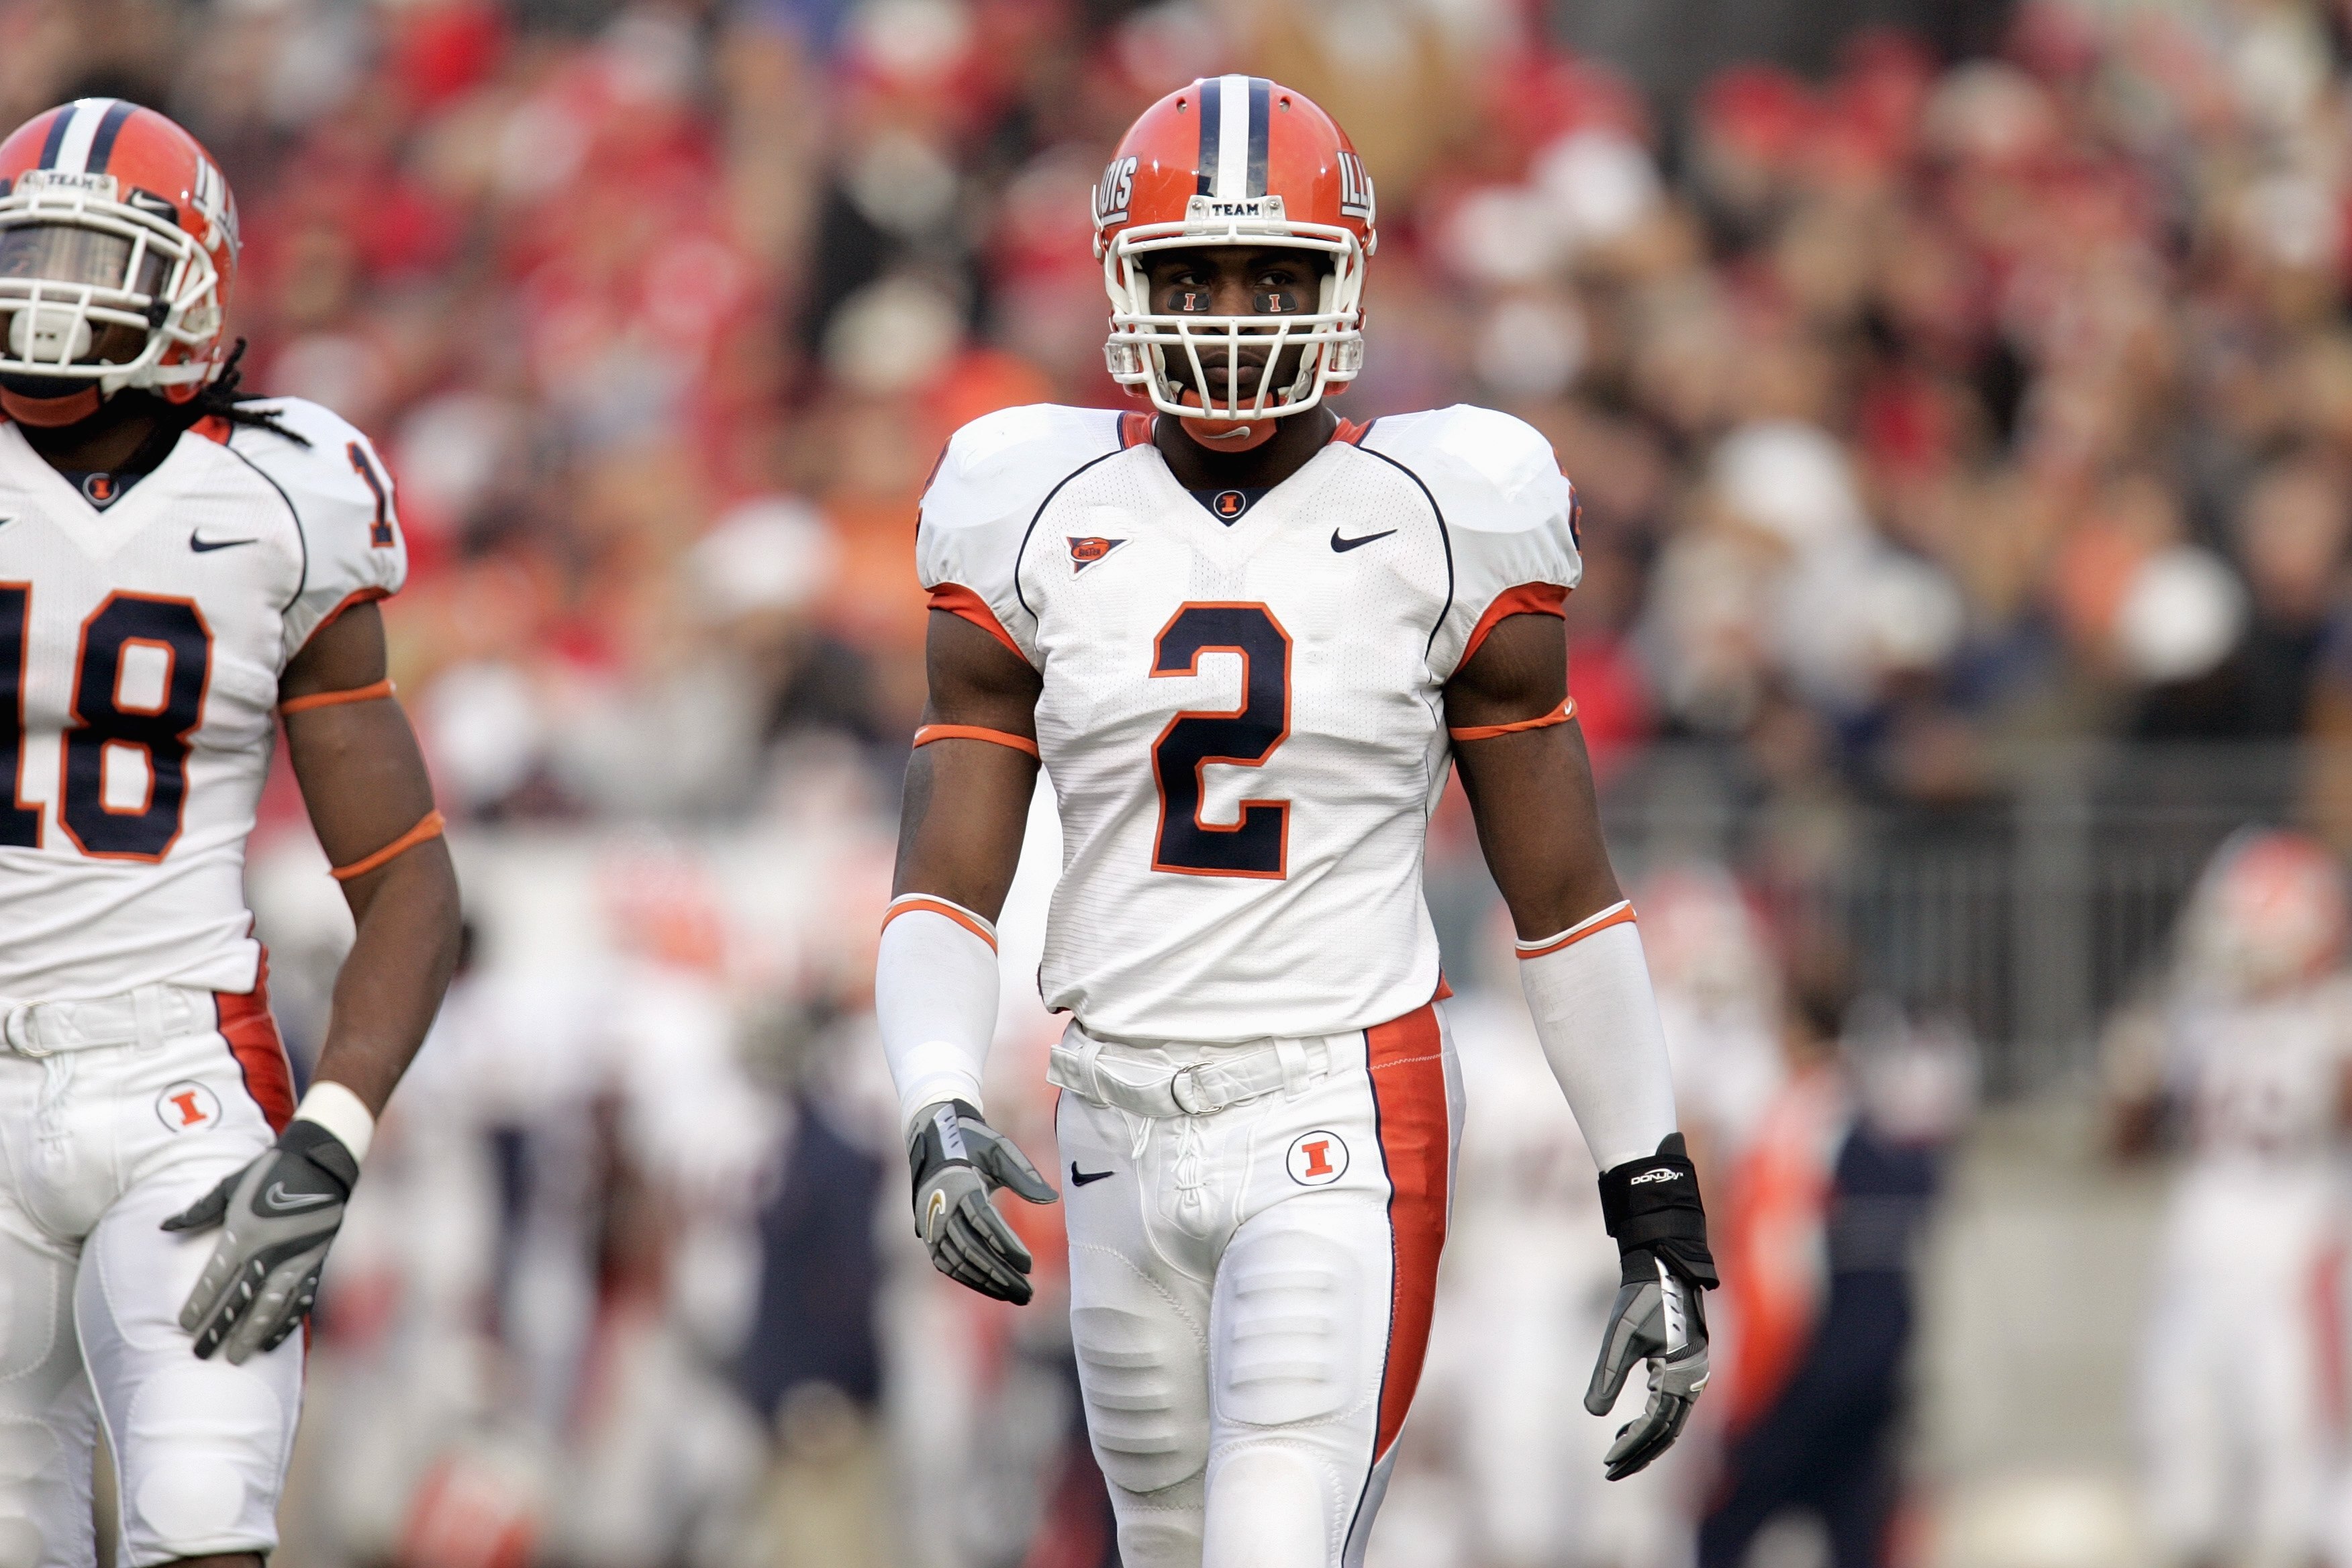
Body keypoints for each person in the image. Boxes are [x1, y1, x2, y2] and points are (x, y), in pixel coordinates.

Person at [873, 77, 1716, 1567]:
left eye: (1278, 270)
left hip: (1338, 1105)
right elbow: (948, 871)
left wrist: (1649, 1190)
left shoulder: (1450, 506)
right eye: (1195, 271)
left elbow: (1565, 897)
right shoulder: (1024, 500)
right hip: (1110, 1118)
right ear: (1126, 277)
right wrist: (938, 1091)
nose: (1236, 307)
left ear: (1347, 279)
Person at [0, 99, 460, 1567]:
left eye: (95, 255)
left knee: (206, 1518)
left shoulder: (284, 491)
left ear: (191, 283)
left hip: (177, 1080)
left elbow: (407, 884)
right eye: (32, 251)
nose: (53, 292)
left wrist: (329, 1136)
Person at [2107, 828, 2352, 1568]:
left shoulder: (2335, 1014)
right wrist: (2133, 1081)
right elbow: (2124, 1148)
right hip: (2202, 1236)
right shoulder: (2197, 1013)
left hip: (2297, 1234)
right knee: (2181, 1429)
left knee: (2289, 1435)